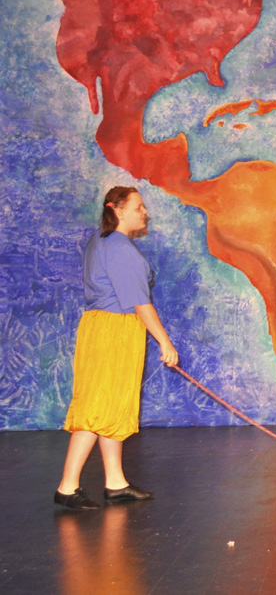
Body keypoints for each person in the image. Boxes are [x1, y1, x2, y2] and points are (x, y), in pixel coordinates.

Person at [54, 187, 179, 510]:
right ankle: (67, 486)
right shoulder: (121, 248)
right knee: (97, 407)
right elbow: (140, 303)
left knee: (110, 405)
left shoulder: (101, 241)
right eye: (139, 207)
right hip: (114, 331)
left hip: (100, 327)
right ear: (119, 211)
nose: (145, 212)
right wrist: (165, 342)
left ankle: (116, 483)